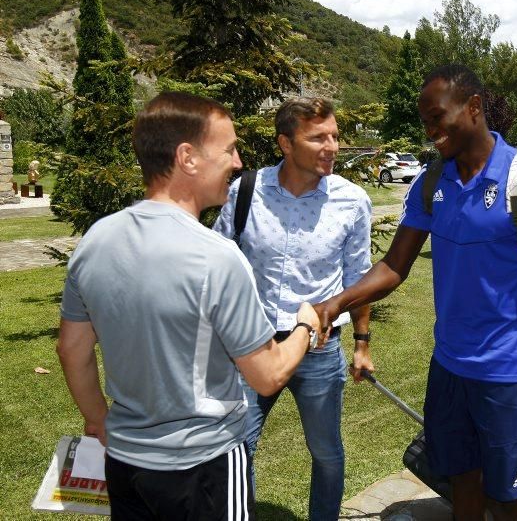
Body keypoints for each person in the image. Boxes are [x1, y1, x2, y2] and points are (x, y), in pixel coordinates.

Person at [314, 65, 517, 521]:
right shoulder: (432, 182)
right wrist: (335, 304)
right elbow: (394, 265)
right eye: (424, 122)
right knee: (462, 486)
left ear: (473, 108)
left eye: (437, 118)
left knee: (508, 501)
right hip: (448, 366)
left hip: (507, 372)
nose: (430, 133)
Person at [57, 91, 320, 520]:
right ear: (188, 157)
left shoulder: (95, 241)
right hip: (205, 465)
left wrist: (96, 418)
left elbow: (71, 350)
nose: (237, 163)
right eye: (229, 149)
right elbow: (268, 374)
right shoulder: (216, 256)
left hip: (125, 462)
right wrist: (305, 328)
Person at [213, 97, 373, 520]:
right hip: (253, 348)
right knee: (236, 447)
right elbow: (217, 259)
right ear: (286, 142)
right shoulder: (246, 190)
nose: (333, 146)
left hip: (319, 351)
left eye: (335, 136)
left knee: (326, 453)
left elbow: (359, 277)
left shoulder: (351, 201)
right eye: (318, 137)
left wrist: (361, 342)